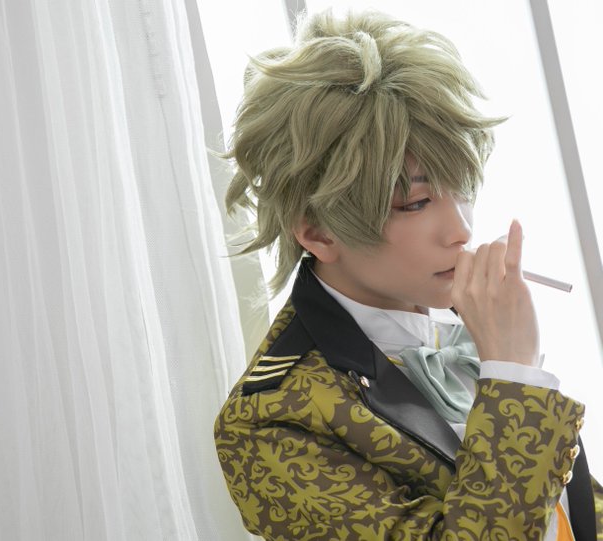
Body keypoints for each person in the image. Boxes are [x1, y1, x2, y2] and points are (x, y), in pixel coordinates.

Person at [213, 8, 603, 540]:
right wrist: (514, 377)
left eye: (461, 188)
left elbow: (575, 516)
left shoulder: (467, 321)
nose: (461, 229)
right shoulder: (271, 419)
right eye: (416, 203)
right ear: (319, 232)